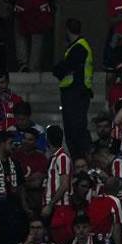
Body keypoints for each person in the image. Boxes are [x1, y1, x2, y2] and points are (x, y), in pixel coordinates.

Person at [53, 19, 94, 159]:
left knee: (75, 129)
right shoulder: (78, 46)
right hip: (76, 92)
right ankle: (79, 158)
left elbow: (63, 67)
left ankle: (81, 157)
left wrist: (58, 69)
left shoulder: (78, 47)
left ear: (67, 30)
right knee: (74, 128)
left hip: (76, 93)